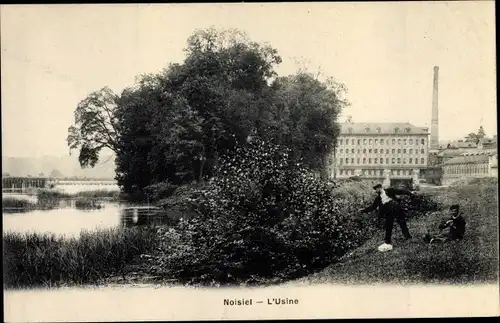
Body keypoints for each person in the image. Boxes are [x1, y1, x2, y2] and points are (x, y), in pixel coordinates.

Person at [360, 184, 414, 252]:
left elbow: (400, 191)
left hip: (395, 207)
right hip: (388, 211)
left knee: (402, 222)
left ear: (380, 188)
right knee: (388, 226)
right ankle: (387, 241)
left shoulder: (389, 190)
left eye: (376, 189)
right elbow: (373, 207)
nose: (376, 191)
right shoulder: (378, 198)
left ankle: (408, 237)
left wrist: (410, 193)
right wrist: (363, 210)